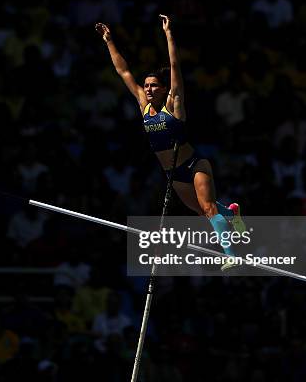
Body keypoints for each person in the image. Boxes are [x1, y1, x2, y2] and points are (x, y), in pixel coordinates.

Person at [95, 16, 245, 270]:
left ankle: (231, 254)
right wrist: (109, 42)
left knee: (208, 209)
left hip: (194, 164)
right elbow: (123, 71)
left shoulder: (174, 105)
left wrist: (168, 34)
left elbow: (175, 65)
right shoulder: (143, 106)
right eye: (146, 86)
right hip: (172, 172)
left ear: (165, 89)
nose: (149, 89)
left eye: (154, 86)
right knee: (203, 211)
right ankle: (231, 213)